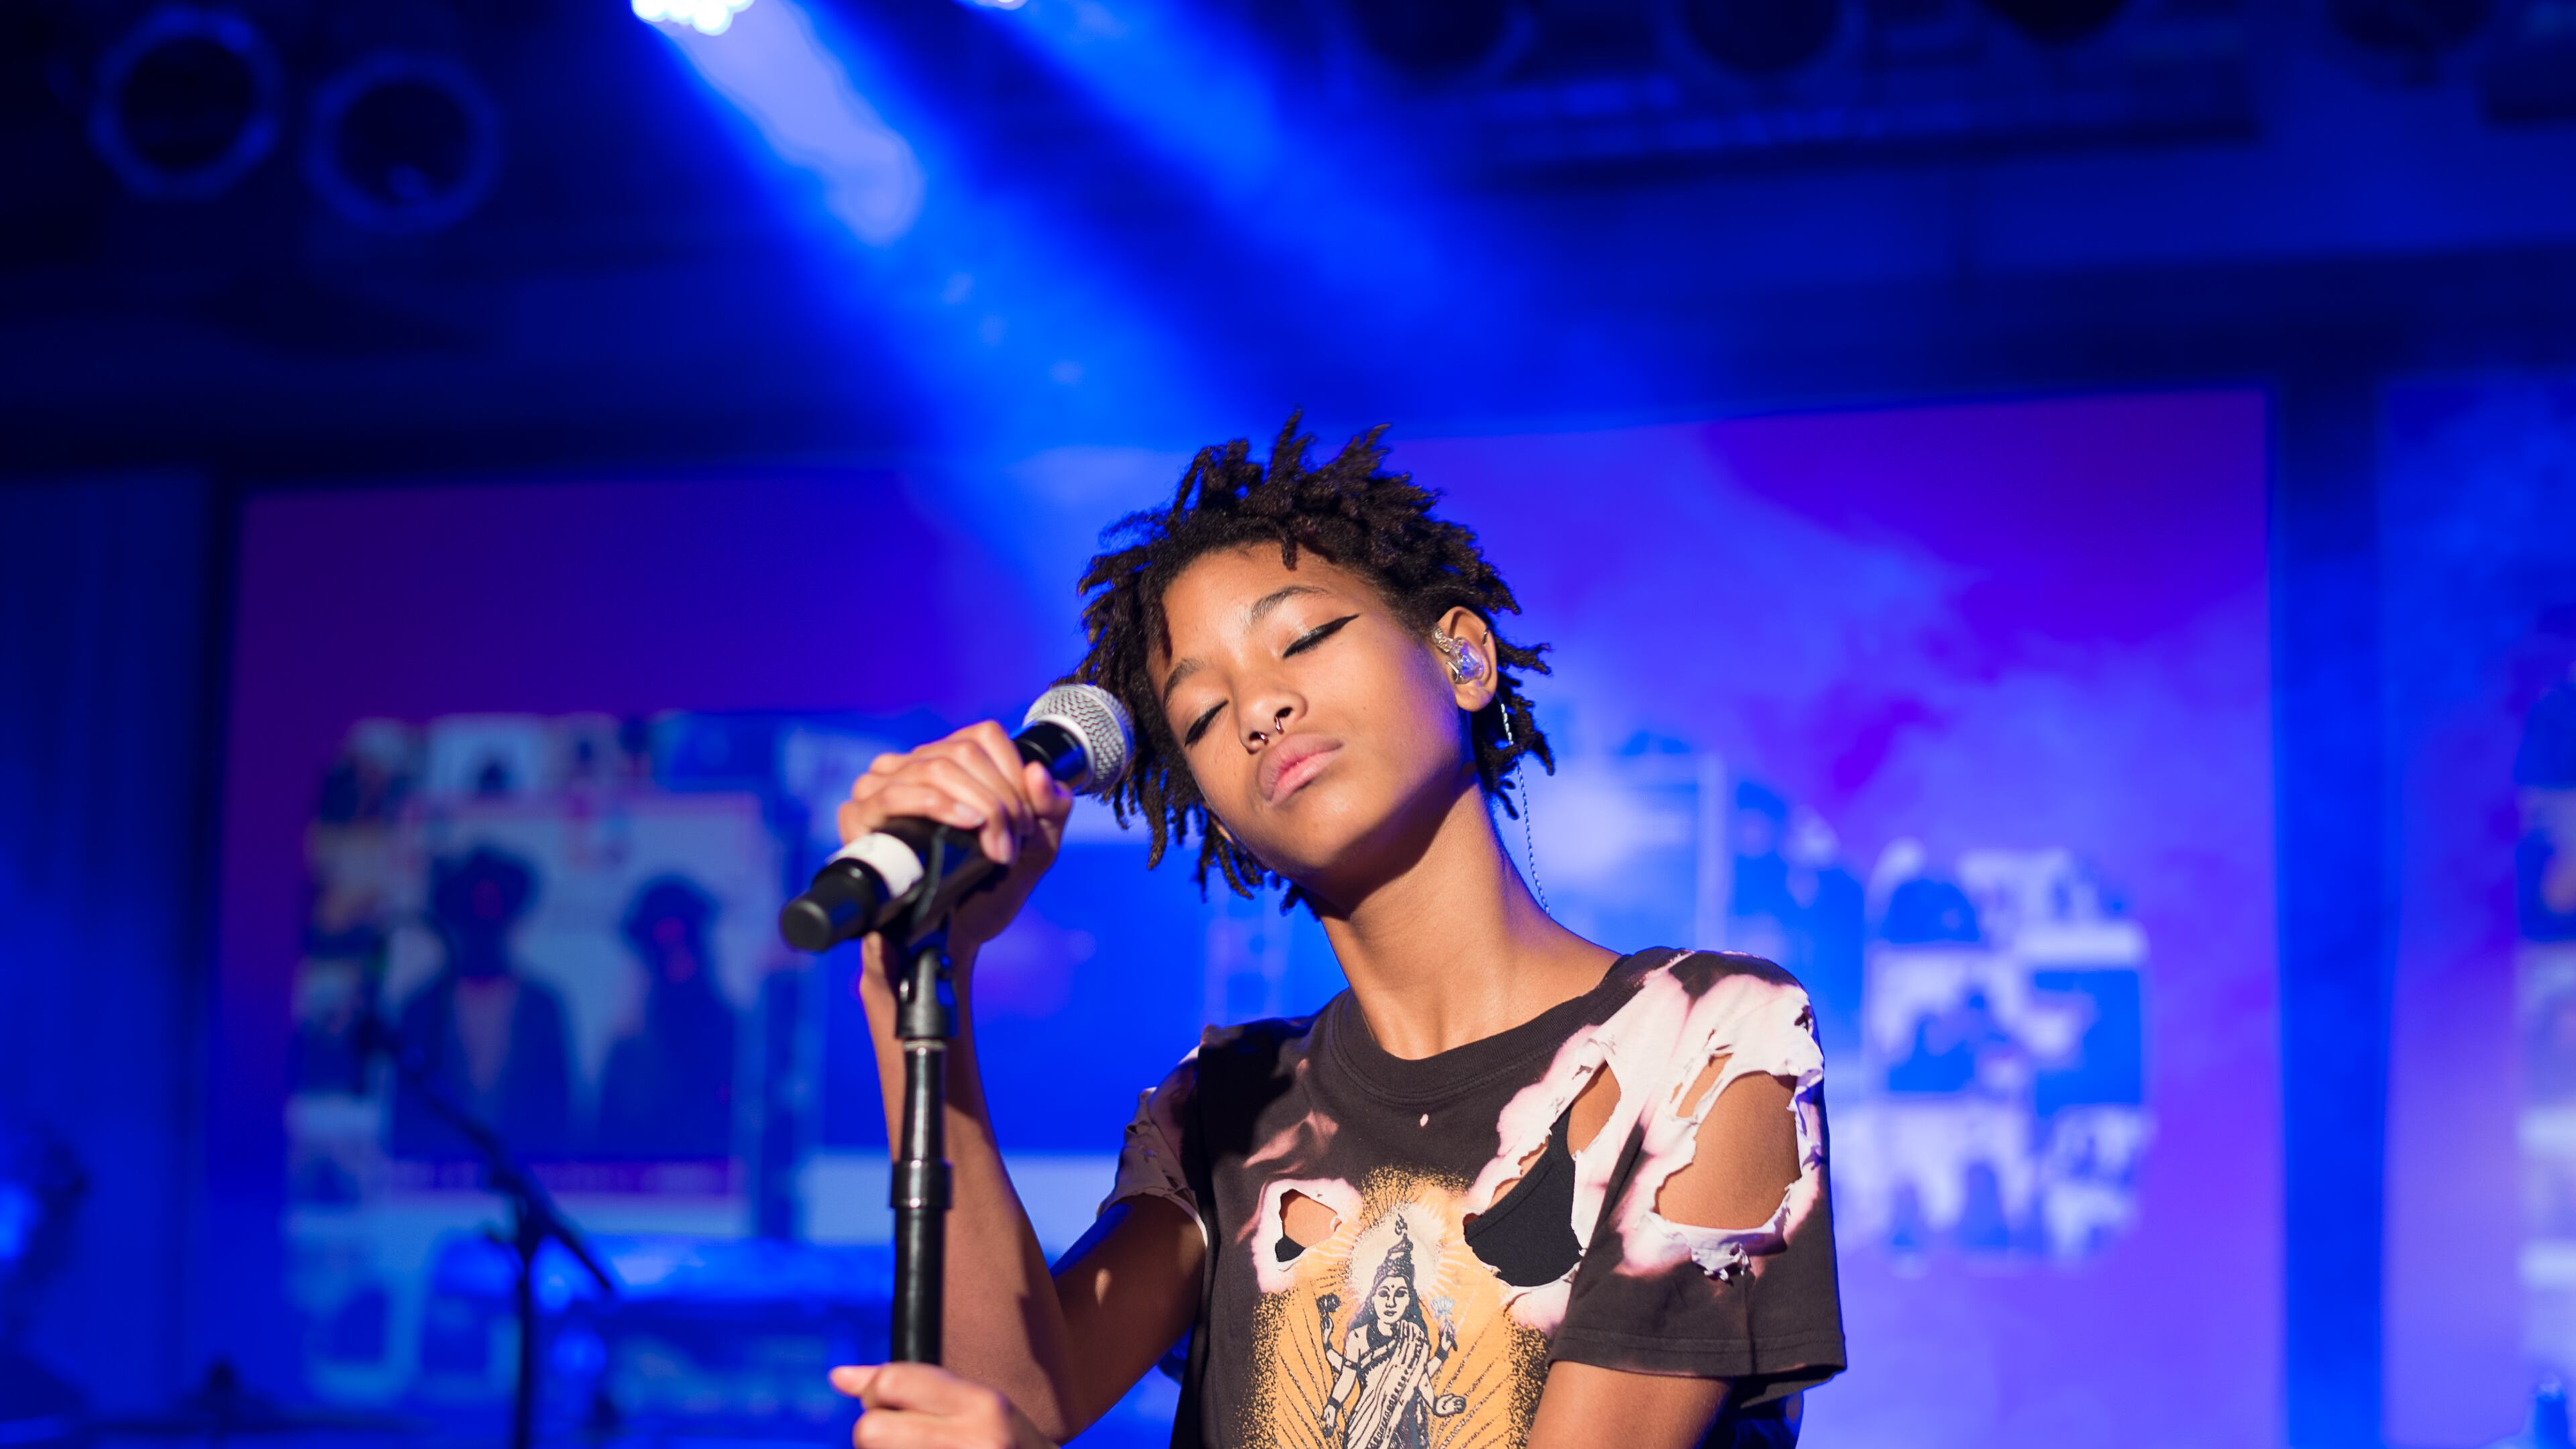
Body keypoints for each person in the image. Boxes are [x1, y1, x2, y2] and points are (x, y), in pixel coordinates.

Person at [824, 421, 1845, 1449]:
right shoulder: (1226, 1106)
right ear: (1223, 818)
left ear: (1464, 656)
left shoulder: (1707, 1045)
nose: (1261, 709)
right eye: (1207, 715)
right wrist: (919, 974)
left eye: (1302, 640)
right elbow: (1020, 1399)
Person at [390, 846, 574, 1158]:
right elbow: (404, 1120)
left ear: (511, 917)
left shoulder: (544, 1008)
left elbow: (562, 1118)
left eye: (495, 911)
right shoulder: (420, 1009)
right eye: (474, 912)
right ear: (457, 919)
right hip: (437, 1194)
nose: (485, 925)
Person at [594, 876, 738, 1158]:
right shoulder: (628, 1058)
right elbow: (605, 1152)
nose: (676, 960)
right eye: (661, 947)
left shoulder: (743, 1045)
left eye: (683, 942)